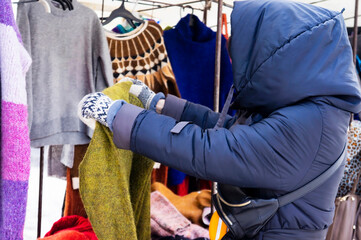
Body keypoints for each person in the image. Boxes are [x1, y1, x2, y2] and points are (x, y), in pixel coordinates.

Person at [78, 0, 361, 239]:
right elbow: (234, 132)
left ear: (279, 56)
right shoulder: (309, 110)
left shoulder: (306, 125)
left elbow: (211, 150)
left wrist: (120, 116)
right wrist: (164, 106)